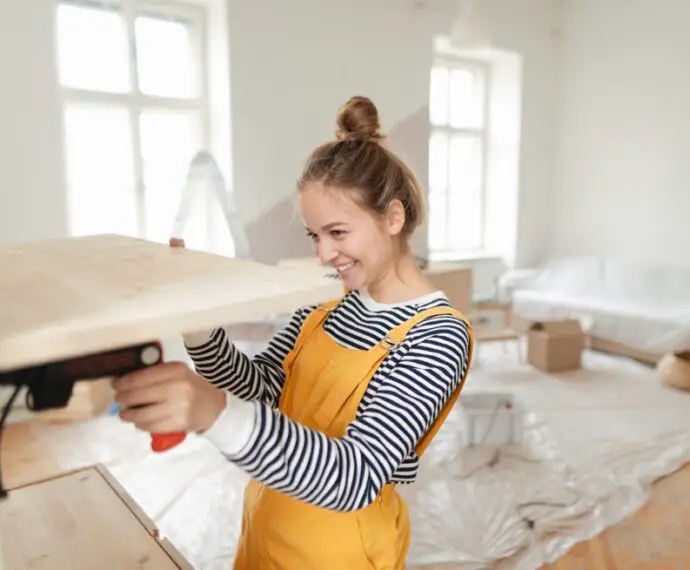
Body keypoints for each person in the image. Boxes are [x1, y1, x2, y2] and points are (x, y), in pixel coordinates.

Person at [112, 95, 475, 570]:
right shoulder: (328, 303)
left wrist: (215, 413)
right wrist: (199, 324)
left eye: (338, 233)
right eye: (314, 235)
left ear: (393, 217)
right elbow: (262, 388)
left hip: (339, 553)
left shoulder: (438, 337)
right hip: (268, 520)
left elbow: (355, 476)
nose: (324, 254)